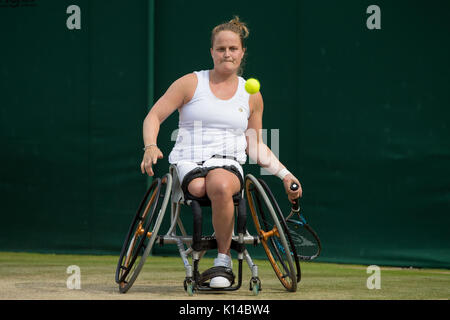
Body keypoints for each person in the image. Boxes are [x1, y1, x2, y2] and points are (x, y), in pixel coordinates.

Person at [140, 16, 302, 288]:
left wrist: (285, 175)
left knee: (218, 183)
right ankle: (208, 250)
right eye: (221, 49)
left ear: (242, 53)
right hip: (189, 161)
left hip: (227, 163)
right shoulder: (190, 83)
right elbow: (153, 116)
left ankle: (222, 262)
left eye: (233, 48)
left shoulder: (252, 95)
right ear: (212, 52)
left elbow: (255, 145)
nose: (227, 53)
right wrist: (150, 145)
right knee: (201, 186)